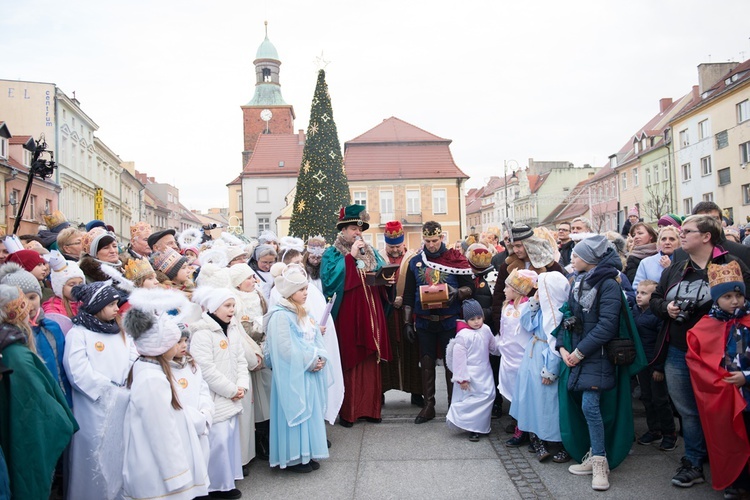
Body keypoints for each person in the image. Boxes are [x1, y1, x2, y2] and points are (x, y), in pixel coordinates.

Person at [651, 215, 750, 488]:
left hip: (719, 354)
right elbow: (657, 298)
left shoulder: (730, 264)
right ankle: (693, 461)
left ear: (706, 236)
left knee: (721, 410)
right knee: (688, 411)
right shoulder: (677, 266)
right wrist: (666, 309)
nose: (681, 235)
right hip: (679, 350)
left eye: (688, 231)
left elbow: (744, 302)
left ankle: (731, 469)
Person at [559, 235, 645, 492]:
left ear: (590, 259)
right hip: (581, 352)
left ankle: (600, 462)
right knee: (585, 407)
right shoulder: (579, 281)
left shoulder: (608, 284)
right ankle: (594, 453)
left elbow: (607, 326)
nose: (571, 259)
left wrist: (579, 352)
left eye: (576, 255)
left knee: (591, 406)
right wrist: (562, 346)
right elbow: (570, 315)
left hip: (598, 355)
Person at [122, 290, 209, 500]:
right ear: (161, 346)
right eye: (174, 341)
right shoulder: (152, 379)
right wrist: (177, 474)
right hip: (159, 472)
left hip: (160, 466)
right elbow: (161, 430)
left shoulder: (150, 369)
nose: (179, 345)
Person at [0, 284, 78, 500]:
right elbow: (37, 410)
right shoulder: (16, 355)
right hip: (24, 441)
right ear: (17, 314)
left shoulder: (11, 348)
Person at [63, 281, 136, 500]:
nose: (117, 309)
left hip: (122, 399)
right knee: (93, 457)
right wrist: (107, 388)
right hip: (92, 407)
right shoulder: (79, 333)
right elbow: (77, 371)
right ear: (97, 305)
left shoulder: (120, 331)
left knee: (119, 454)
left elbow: (132, 355)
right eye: (112, 304)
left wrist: (127, 382)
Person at [321, 204, 391, 427]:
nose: (357, 233)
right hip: (349, 316)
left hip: (372, 314)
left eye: (359, 229)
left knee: (372, 360)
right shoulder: (333, 254)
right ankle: (349, 412)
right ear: (343, 230)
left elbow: (379, 274)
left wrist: (386, 281)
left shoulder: (371, 252)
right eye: (353, 228)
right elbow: (330, 283)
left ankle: (371, 409)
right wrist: (349, 259)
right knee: (350, 359)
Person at [686, 261, 750, 497]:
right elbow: (696, 360)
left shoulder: (748, 322)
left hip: (747, 391)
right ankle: (738, 481)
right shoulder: (706, 325)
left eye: (738, 295)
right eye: (728, 296)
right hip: (726, 395)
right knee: (730, 439)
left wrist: (746, 376)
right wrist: (718, 380)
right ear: (716, 299)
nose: (735, 301)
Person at [402, 220, 474, 424]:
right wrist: (407, 322)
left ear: (441, 237)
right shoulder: (416, 261)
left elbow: (470, 287)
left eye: (434, 240)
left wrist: (456, 292)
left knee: (452, 364)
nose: (431, 245)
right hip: (424, 321)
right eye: (427, 241)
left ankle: (453, 405)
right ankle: (429, 405)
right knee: (426, 362)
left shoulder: (454, 258)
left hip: (449, 320)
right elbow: (408, 294)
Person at [265, 262, 330, 472]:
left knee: (309, 412)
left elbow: (315, 338)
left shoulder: (304, 312)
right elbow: (284, 349)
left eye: (306, 289)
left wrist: (320, 357)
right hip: (291, 375)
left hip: (307, 373)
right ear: (291, 292)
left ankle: (307, 453)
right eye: (301, 290)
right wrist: (310, 361)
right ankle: (293, 458)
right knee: (295, 410)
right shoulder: (280, 315)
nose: (305, 293)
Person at [190, 286, 250, 499]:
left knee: (230, 439)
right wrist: (231, 390)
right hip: (217, 396)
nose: (232, 310)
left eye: (233, 305)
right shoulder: (202, 333)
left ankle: (228, 480)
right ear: (214, 307)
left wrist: (242, 384)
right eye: (227, 305)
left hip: (233, 393)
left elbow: (240, 359)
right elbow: (206, 369)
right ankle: (215, 486)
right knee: (218, 441)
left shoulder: (232, 328)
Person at [510, 271, 571, 463]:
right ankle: (537, 440)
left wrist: (551, 369)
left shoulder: (560, 311)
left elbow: (555, 342)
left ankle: (558, 441)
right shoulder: (544, 306)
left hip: (548, 357)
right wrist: (534, 303)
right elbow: (527, 324)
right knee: (532, 398)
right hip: (533, 354)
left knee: (550, 402)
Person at [230, 263, 273, 464]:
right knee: (253, 402)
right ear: (238, 283)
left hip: (263, 348)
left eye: (253, 277)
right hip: (248, 353)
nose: (253, 281)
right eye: (248, 278)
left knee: (266, 398)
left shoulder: (259, 296)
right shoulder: (235, 301)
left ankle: (265, 436)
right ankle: (255, 441)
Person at [379, 220, 423, 408]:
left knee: (412, 351)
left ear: (403, 243)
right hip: (386, 312)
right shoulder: (379, 258)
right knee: (384, 352)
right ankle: (380, 391)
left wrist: (404, 300)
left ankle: (416, 392)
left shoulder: (414, 258)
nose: (395, 250)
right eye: (391, 246)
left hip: (407, 312)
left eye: (398, 246)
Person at [491, 224, 566, 334]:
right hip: (513, 324)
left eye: (519, 246)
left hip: (541, 325)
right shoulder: (507, 266)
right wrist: (499, 325)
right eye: (513, 246)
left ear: (530, 244)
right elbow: (498, 296)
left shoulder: (551, 266)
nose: (516, 250)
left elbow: (559, 297)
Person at [446, 299, 501, 442]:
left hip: (485, 371)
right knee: (473, 399)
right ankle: (472, 428)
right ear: (466, 319)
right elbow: (459, 359)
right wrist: (462, 378)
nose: (477, 322)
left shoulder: (486, 330)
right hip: (470, 373)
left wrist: (503, 345)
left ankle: (482, 424)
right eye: (472, 319)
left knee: (489, 395)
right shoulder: (462, 336)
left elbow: (493, 347)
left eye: (479, 318)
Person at [633, 280, 676, 451]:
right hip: (642, 362)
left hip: (654, 361)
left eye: (644, 293)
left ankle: (669, 433)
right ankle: (654, 429)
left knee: (660, 399)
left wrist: (659, 367)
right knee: (647, 397)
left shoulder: (657, 315)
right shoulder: (636, 311)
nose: (638, 295)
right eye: (638, 292)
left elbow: (663, 341)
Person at [499, 269, 537, 447]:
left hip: (521, 356)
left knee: (523, 394)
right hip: (508, 355)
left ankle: (523, 431)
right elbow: (504, 330)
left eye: (507, 287)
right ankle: (519, 424)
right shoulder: (506, 306)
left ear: (516, 289)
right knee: (513, 392)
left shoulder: (527, 307)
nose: (504, 290)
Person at [170, 323, 214, 470]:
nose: (184, 345)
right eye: (178, 342)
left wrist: (206, 412)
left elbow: (202, 390)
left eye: (185, 341)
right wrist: (195, 420)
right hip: (183, 427)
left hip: (201, 423)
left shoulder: (191, 364)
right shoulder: (164, 370)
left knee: (201, 464)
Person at [633, 225, 680, 290]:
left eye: (672, 239)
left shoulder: (685, 261)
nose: (667, 242)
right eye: (663, 239)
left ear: (679, 242)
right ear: (659, 242)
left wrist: (670, 269)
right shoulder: (646, 263)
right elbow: (637, 288)